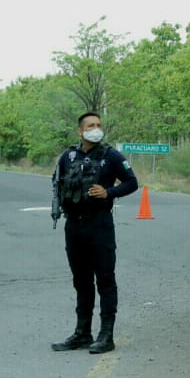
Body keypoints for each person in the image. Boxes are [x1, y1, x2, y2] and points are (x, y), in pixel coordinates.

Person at [50, 112, 139, 355]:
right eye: (90, 125)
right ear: (80, 131)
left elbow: (132, 182)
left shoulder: (111, 156)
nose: (96, 128)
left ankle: (106, 335)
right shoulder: (68, 156)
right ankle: (82, 333)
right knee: (81, 280)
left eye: (99, 124)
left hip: (99, 224)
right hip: (74, 226)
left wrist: (109, 192)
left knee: (105, 279)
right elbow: (58, 184)